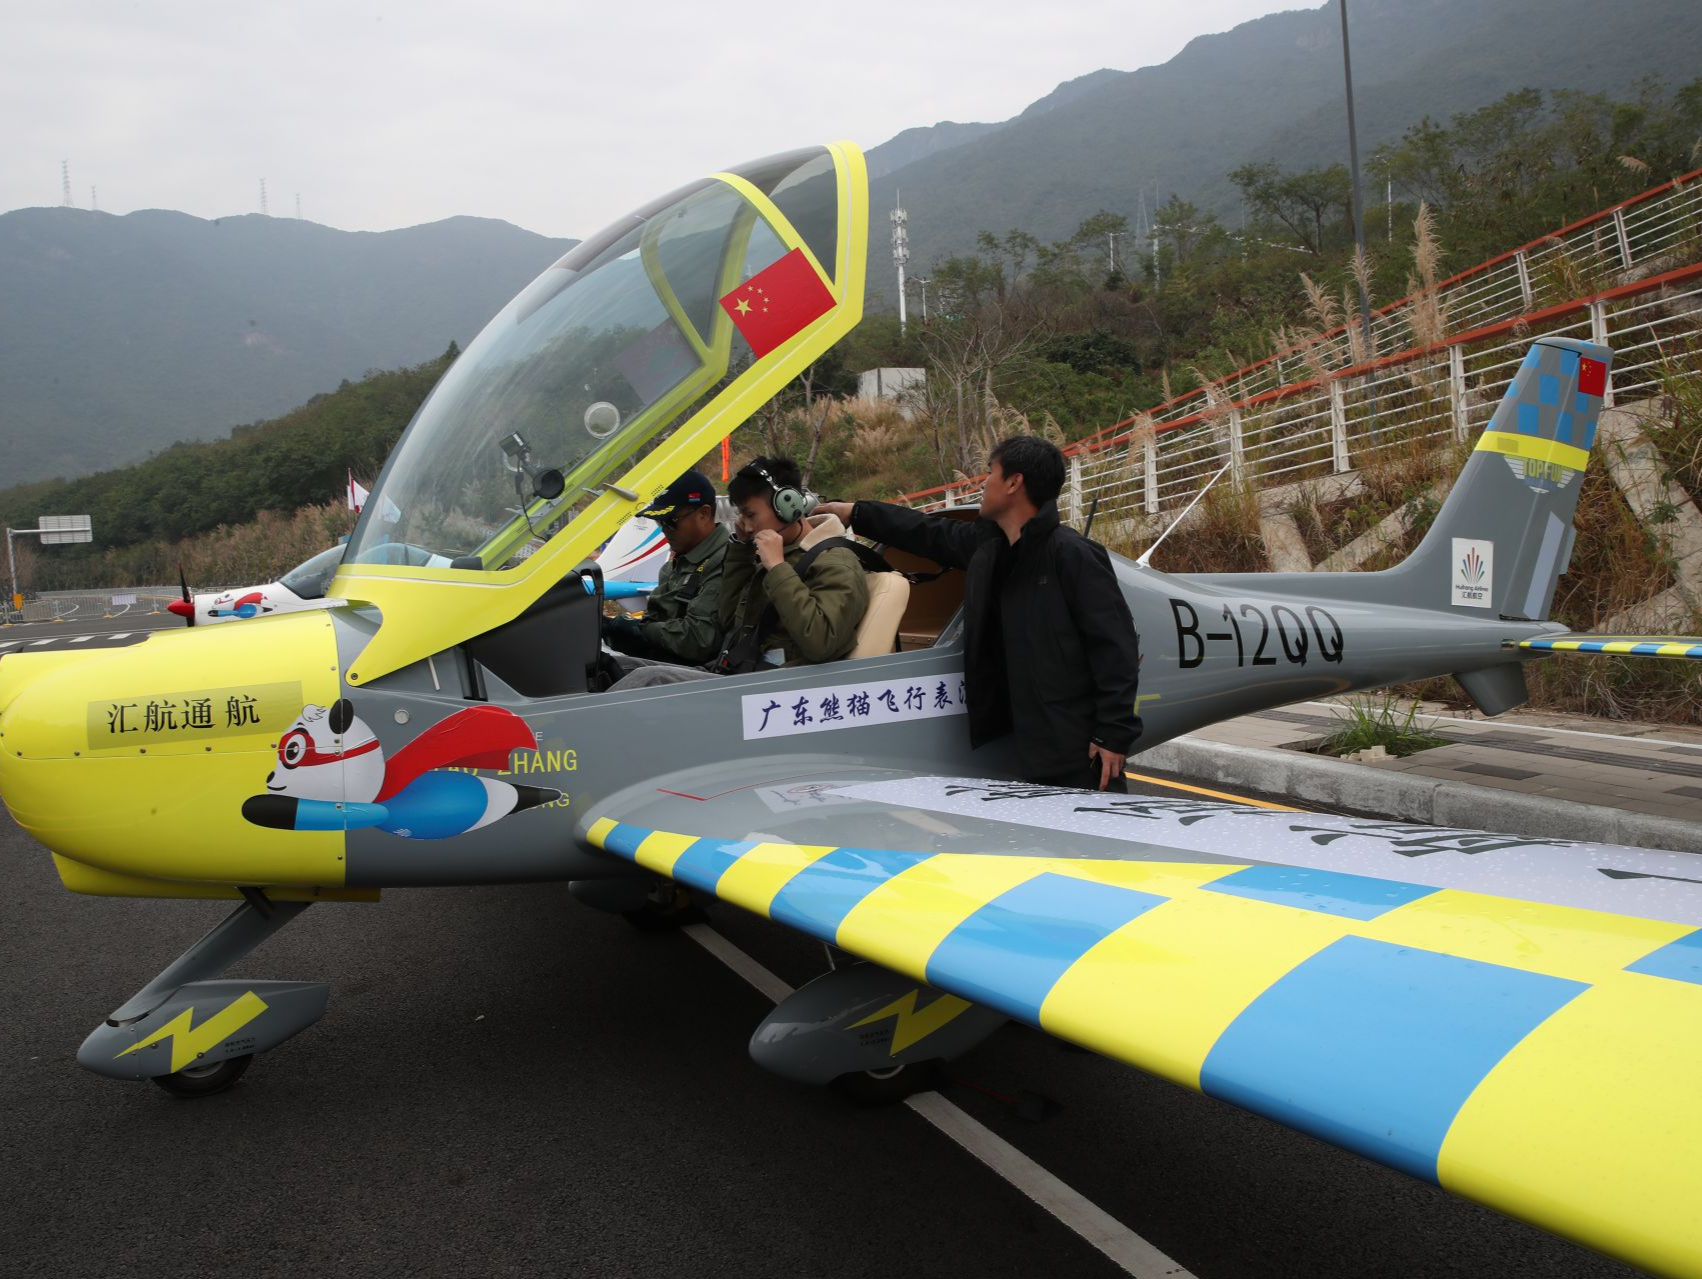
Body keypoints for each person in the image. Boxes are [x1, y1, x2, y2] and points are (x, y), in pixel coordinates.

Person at [816, 435, 1141, 791]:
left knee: (1090, 841)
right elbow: (928, 533)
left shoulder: (1072, 554)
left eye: (991, 473)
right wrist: (854, 513)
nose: (983, 483)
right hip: (1029, 741)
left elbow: (1116, 647)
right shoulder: (991, 550)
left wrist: (1113, 734)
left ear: (1014, 483)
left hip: (1077, 746)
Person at [610, 455, 868, 689]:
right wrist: (741, 551)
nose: (744, 524)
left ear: (788, 506)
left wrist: (777, 568)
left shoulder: (834, 562)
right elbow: (728, 619)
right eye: (741, 514)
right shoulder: (770, 554)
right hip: (737, 671)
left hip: (774, 686)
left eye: (750, 514)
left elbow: (820, 642)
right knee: (613, 667)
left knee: (649, 680)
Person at [602, 470, 727, 670]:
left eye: (670, 521)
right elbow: (657, 621)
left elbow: (700, 640)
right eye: (660, 522)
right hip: (671, 666)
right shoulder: (675, 566)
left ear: (703, 514)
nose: (664, 530)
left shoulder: (723, 562)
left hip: (703, 677)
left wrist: (642, 631)